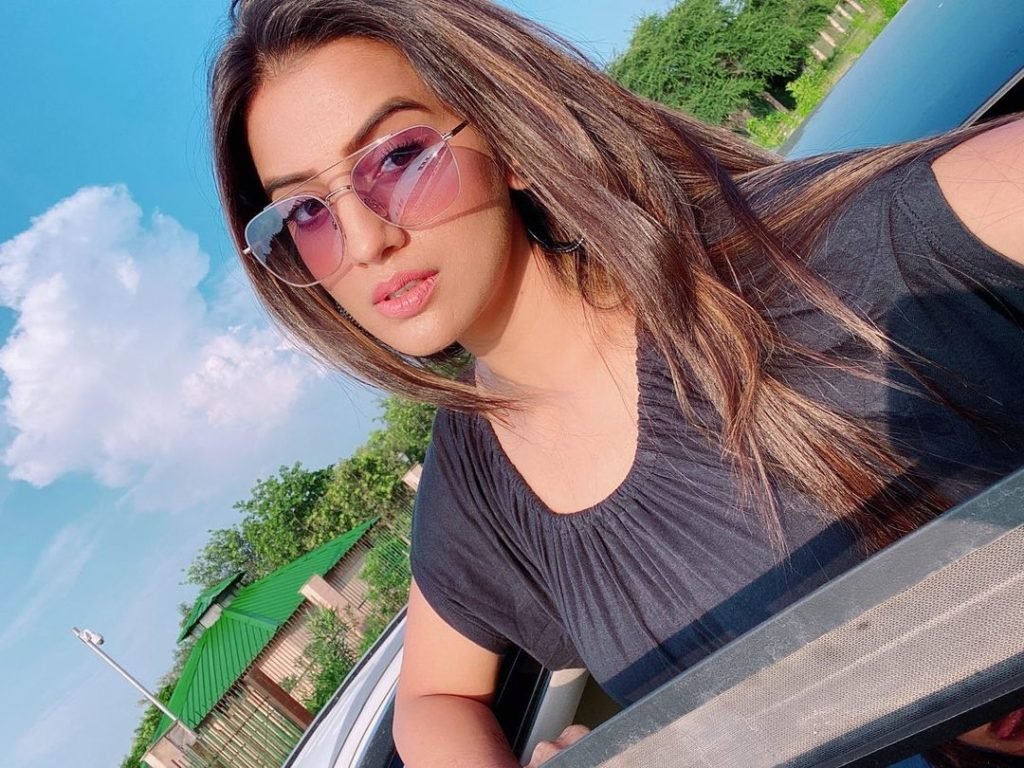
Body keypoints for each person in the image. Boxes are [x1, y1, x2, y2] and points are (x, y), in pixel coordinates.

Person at [208, 1, 1024, 765]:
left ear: (510, 141)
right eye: (306, 211)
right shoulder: (475, 476)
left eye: (399, 157)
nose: (364, 241)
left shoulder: (813, 259)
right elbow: (430, 697)